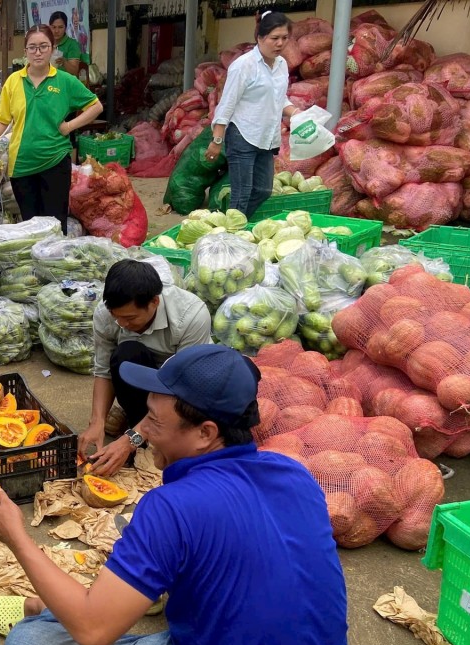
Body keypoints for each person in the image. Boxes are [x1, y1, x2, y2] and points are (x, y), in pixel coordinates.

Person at [0, 344, 350, 645]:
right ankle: (50, 606)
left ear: (205, 433)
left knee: (28, 644)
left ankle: (54, 616)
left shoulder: (171, 507)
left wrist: (16, 537)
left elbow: (93, 633)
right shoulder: (293, 472)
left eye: (153, 420)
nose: (142, 431)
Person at [78, 259, 211, 476]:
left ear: (154, 302)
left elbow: (183, 389)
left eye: (130, 318)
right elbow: (103, 371)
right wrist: (97, 422)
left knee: (190, 428)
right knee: (126, 354)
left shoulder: (191, 315)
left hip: (183, 385)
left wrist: (130, 440)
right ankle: (138, 426)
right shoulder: (106, 315)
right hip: (141, 375)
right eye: (116, 317)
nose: (122, 324)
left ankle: (139, 435)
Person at [0, 24, 103, 234]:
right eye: (32, 47)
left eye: (43, 46)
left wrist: (69, 126)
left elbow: (96, 106)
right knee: (30, 230)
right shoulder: (13, 82)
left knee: (56, 228)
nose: (38, 52)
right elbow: (2, 120)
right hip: (22, 166)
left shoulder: (65, 81)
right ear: (25, 51)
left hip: (55, 162)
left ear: (52, 49)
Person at [208, 10, 303, 219]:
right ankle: (232, 232)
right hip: (243, 136)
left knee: (263, 190)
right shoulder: (244, 65)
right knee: (241, 194)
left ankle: (235, 224)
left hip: (266, 138)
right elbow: (226, 105)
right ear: (260, 37)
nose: (280, 43)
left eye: (284, 38)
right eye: (274, 38)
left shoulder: (281, 65)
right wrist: (217, 140)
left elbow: (278, 98)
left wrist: (296, 113)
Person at [48, 11, 89, 77]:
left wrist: (64, 62)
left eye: (60, 27)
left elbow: (74, 71)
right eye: (54, 27)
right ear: (49, 27)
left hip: (65, 82)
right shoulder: (46, 43)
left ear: (65, 28)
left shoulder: (72, 44)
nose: (56, 31)